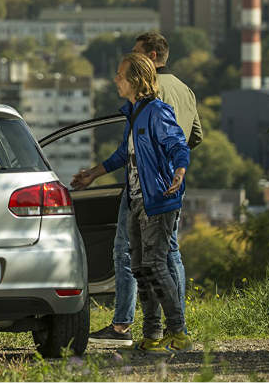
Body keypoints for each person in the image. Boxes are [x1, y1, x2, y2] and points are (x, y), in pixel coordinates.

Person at [71, 53, 193, 352]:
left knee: (154, 264)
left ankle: (178, 332)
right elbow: (122, 155)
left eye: (120, 75)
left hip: (159, 200)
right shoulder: (134, 113)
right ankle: (152, 334)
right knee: (139, 267)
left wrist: (179, 171)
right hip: (137, 199)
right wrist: (93, 174)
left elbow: (177, 144)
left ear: (136, 80)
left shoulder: (156, 112)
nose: (116, 80)